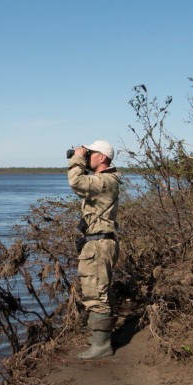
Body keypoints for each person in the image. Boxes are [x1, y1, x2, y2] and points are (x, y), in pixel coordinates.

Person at [68, 140, 122, 360]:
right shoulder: (102, 181)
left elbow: (76, 182)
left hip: (99, 244)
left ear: (102, 157)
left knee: (96, 292)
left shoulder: (106, 180)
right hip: (97, 242)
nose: (87, 156)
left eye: (91, 153)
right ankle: (99, 337)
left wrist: (76, 158)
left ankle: (102, 345)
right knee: (96, 289)